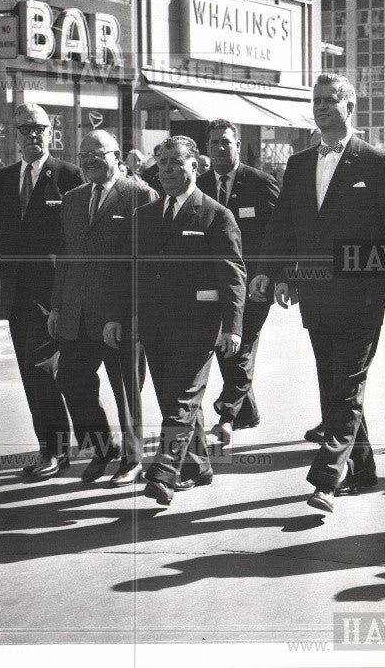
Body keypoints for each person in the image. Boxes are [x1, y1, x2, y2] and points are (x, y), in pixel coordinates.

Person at [248, 74, 385, 514]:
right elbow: (284, 224)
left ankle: (325, 478)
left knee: (346, 387)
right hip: (317, 295)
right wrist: (273, 273)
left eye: (329, 101)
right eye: (316, 101)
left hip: (362, 296)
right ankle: (363, 468)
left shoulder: (377, 162)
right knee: (333, 385)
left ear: (349, 106)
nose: (321, 107)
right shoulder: (300, 164)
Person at [0, 103, 85, 478]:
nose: (33, 135)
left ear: (50, 133)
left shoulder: (68, 175)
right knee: (34, 372)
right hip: (17, 295)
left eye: (39, 128)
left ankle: (63, 449)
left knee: (46, 368)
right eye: (25, 129)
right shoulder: (1, 181)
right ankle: (60, 447)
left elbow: (78, 237)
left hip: (55, 292)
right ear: (15, 137)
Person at [135, 136, 246, 506]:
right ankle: (198, 466)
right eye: (161, 164)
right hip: (155, 326)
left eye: (175, 164)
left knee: (182, 399)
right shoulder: (146, 215)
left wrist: (232, 327)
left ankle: (164, 473)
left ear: (194, 167)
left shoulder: (215, 214)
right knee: (173, 398)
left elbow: (233, 276)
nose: (166, 171)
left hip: (198, 327)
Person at [48, 130, 157, 486]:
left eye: (98, 154)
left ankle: (132, 458)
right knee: (70, 380)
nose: (90, 161)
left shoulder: (140, 195)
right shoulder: (74, 199)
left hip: (119, 315)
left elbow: (144, 263)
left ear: (117, 158)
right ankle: (101, 448)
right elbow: (65, 256)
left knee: (126, 389)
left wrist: (128, 314)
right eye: (84, 156)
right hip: (75, 313)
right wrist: (56, 306)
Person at [198, 118, 281, 446]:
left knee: (242, 343)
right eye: (215, 142)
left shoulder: (260, 182)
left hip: (255, 283)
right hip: (214, 285)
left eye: (227, 142)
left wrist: (277, 277)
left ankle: (228, 413)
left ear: (237, 143)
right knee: (224, 348)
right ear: (207, 148)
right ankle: (248, 411)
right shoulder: (201, 184)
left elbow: (280, 233)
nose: (220, 148)